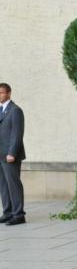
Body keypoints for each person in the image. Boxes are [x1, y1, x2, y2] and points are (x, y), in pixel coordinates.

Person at [0, 83, 26, 226]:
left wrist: (12, 153)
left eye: (1, 93)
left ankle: (19, 215)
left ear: (9, 93)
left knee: (13, 184)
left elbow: (17, 134)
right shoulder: (0, 110)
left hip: (10, 155)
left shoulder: (15, 110)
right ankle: (8, 212)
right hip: (0, 154)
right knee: (3, 185)